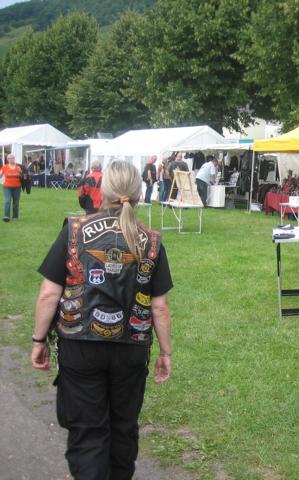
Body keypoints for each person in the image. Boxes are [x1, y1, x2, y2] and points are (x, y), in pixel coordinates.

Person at [31, 160, 173, 479]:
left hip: (80, 345)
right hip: (131, 348)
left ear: (103, 190)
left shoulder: (74, 230)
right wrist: (166, 352)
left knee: (88, 432)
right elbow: (160, 307)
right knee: (123, 428)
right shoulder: (150, 240)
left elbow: (49, 294)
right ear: (138, 193)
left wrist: (38, 340)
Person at [1, 154, 22, 222]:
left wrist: (21, 172)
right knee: (7, 201)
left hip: (17, 187)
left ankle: (15, 217)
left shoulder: (18, 167)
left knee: (16, 202)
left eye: (13, 158)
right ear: (8, 159)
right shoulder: (4, 167)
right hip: (7, 187)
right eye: (10, 158)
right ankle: (7, 216)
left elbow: (23, 176)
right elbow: (0, 175)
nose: (12, 159)